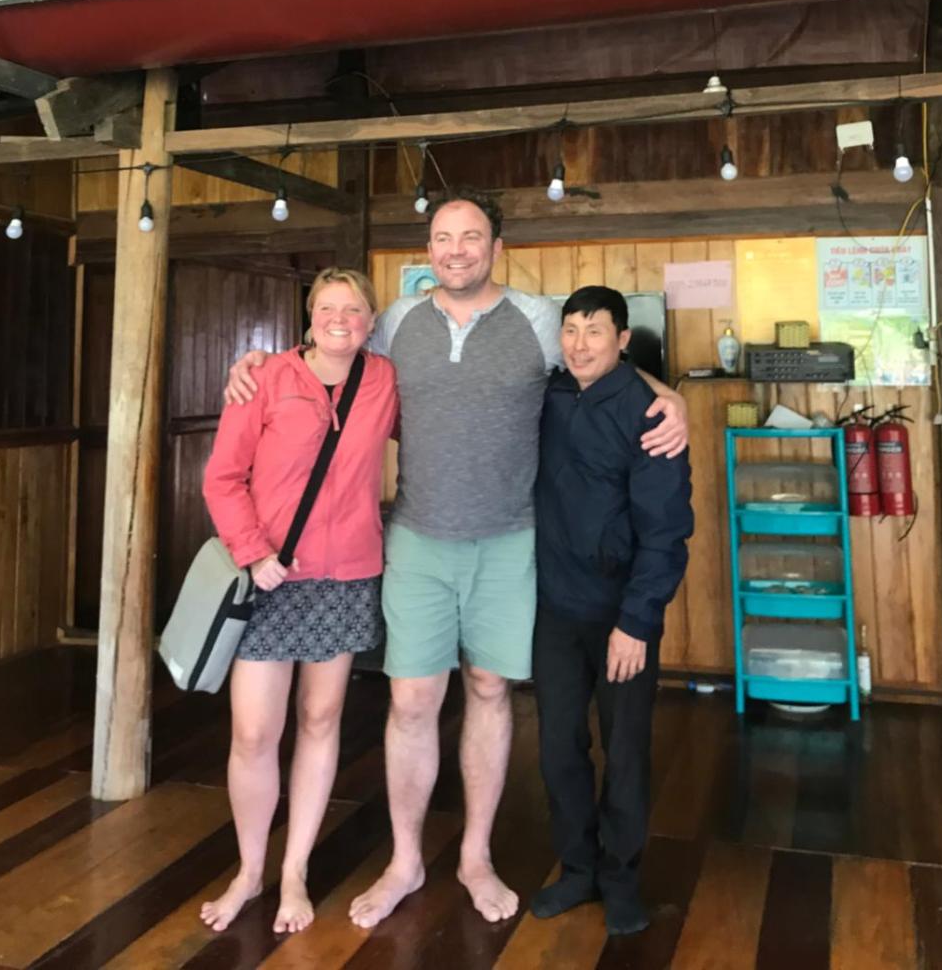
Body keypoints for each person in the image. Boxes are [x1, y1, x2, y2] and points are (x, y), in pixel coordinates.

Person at [224, 189, 689, 928]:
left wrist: (671, 397)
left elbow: (602, 366)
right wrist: (254, 363)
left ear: (496, 247)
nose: (457, 250)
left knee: (489, 688)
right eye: (444, 238)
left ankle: (475, 857)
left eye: (471, 237)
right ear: (429, 250)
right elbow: (326, 353)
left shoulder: (538, 321)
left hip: (509, 540)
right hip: (417, 538)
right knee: (412, 700)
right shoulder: (396, 323)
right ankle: (406, 860)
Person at [200, 267, 398, 935]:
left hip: (345, 576)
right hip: (270, 575)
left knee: (319, 719)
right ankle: (250, 871)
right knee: (255, 732)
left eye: (354, 309)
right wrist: (253, 552)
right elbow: (223, 478)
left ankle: (294, 873)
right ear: (309, 317)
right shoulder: (265, 378)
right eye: (327, 308)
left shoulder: (385, 380)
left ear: (372, 321)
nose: (340, 319)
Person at [531, 286, 692, 936]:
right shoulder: (547, 396)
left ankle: (621, 878)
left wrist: (637, 622)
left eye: (594, 330)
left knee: (625, 751)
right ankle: (577, 870)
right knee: (558, 747)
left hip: (621, 614)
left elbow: (666, 531)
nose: (579, 344)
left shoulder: (650, 414)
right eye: (570, 330)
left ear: (623, 340)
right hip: (553, 608)